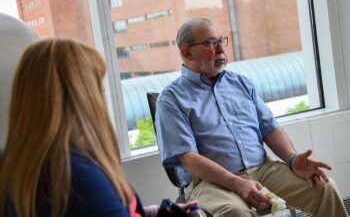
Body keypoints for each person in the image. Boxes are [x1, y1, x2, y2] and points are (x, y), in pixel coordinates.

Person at [155, 17, 348, 217]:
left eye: (221, 41)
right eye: (210, 43)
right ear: (187, 52)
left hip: (263, 169)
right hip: (209, 183)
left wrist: (291, 160)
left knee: (324, 188)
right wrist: (237, 183)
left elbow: (270, 128)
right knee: (235, 212)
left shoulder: (241, 83)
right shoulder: (170, 100)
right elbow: (189, 160)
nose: (220, 49)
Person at [0, 38, 203, 217]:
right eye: (97, 86)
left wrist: (154, 213)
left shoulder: (24, 163)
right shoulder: (75, 176)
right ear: (83, 97)